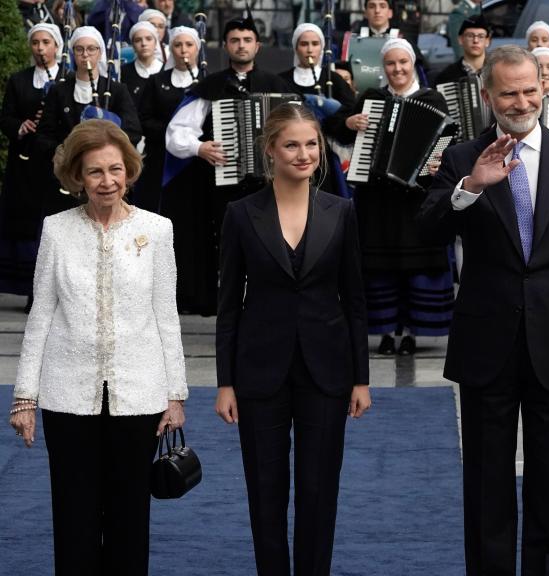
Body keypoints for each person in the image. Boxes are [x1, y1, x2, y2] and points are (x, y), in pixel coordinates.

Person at [419, 45, 549, 575]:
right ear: (487, 97)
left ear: (544, 87)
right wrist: (471, 186)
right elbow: (428, 229)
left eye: (531, 89)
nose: (523, 101)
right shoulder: (463, 158)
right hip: (487, 348)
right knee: (486, 482)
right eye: (509, 92)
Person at [9, 119, 188, 576]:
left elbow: (166, 316)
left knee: (130, 516)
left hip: (140, 394)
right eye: (94, 172)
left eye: (115, 170)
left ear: (129, 170)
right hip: (67, 395)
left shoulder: (158, 230)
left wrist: (175, 394)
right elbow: (41, 315)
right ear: (76, 176)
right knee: (73, 515)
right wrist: (25, 396)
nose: (107, 181)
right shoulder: (55, 229)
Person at [215, 102, 371, 576]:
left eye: (311, 144)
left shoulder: (341, 212)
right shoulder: (241, 214)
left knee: (319, 489)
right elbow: (228, 305)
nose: (304, 154)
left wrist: (360, 379)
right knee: (265, 490)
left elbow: (356, 300)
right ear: (271, 150)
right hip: (259, 370)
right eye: (292, 145)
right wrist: (225, 383)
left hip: (328, 368)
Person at [164, 12, 292, 315]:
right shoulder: (210, 87)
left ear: (258, 46)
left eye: (247, 40)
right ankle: (229, 301)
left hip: (269, 184)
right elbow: (176, 133)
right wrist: (199, 147)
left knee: (271, 243)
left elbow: (296, 127)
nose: (241, 45)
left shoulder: (277, 85)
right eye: (235, 40)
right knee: (227, 244)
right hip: (222, 186)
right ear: (225, 46)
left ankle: (268, 300)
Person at [341, 38, 454, 354]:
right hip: (378, 201)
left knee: (415, 269)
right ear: (383, 67)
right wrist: (350, 122)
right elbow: (339, 128)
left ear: (413, 63)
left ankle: (413, 333)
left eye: (402, 62)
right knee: (381, 271)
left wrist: (436, 161)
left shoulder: (433, 100)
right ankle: (387, 332)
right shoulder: (371, 98)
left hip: (417, 201)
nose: (397, 69)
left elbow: (447, 142)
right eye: (390, 63)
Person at [34, 25, 143, 218]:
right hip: (69, 178)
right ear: (73, 53)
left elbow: (134, 131)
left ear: (100, 53)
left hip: (106, 178)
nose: (85, 55)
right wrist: (67, 152)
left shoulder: (117, 90)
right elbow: (43, 135)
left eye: (91, 49)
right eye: (79, 49)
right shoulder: (59, 91)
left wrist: (111, 124)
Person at [0, 23, 63, 308]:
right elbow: (6, 117)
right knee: (25, 223)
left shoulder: (67, 78)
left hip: (52, 162)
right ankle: (28, 290)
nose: (40, 48)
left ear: (56, 46)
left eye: (45, 43)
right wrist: (21, 126)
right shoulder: (19, 80)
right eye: (35, 43)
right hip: (24, 163)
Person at [278, 23, 358, 197]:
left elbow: (350, 113)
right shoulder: (280, 81)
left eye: (315, 44)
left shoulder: (334, 80)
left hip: (324, 160)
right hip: (289, 159)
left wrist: (336, 117)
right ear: (295, 47)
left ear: (322, 47)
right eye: (304, 44)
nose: (309, 49)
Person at [136, 25, 200, 213]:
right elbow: (144, 119)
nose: (183, 50)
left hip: (195, 161)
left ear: (197, 48)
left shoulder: (207, 81)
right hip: (159, 158)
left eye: (189, 44)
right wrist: (174, 134)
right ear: (171, 49)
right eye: (178, 44)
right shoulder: (157, 81)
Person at [434, 15, 491, 85]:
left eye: (481, 36)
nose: (475, 40)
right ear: (460, 39)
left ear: (487, 41)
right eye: (470, 36)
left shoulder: (496, 70)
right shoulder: (447, 75)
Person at [120, 21, 163, 109]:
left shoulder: (167, 70)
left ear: (156, 43)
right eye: (138, 40)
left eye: (148, 39)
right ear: (133, 45)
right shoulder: (123, 72)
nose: (144, 43)